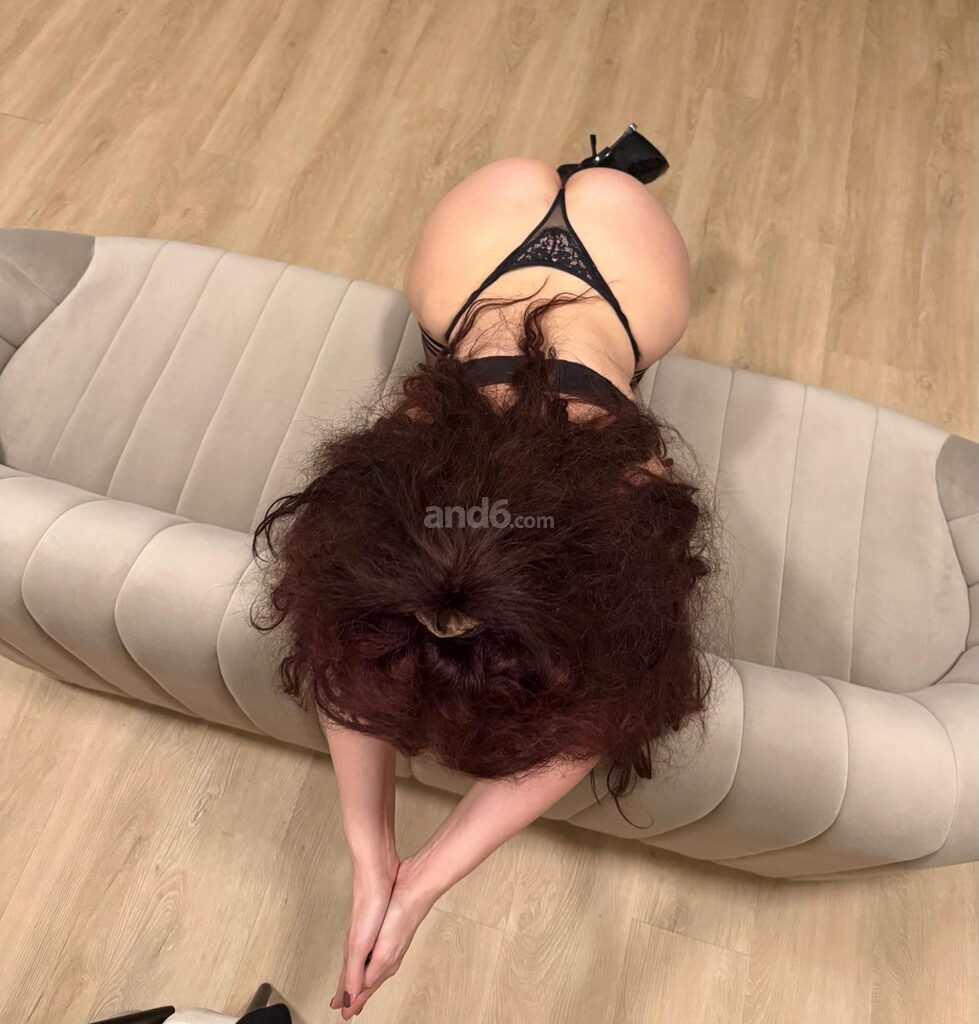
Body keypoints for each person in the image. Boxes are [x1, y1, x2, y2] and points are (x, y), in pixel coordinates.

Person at [249, 127, 722, 1019]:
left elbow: (602, 707)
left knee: (575, 197)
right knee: (578, 199)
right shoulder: (590, 517)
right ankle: (595, 178)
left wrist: (412, 872)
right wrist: (384, 866)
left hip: (578, 265)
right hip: (529, 252)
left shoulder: (622, 499)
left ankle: (594, 178)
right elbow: (354, 654)